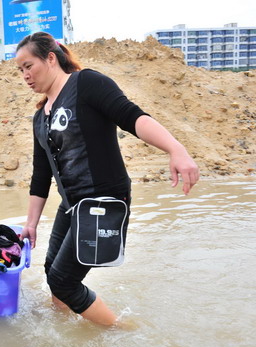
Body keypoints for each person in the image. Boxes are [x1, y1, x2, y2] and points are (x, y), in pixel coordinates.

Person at [15, 32, 199, 326]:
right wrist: (30, 223)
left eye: (28, 66)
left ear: (50, 58)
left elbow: (131, 116)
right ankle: (61, 328)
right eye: (20, 70)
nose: (25, 75)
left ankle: (120, 332)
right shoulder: (41, 117)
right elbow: (41, 173)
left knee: (64, 281)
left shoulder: (87, 84)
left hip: (103, 200)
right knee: (53, 271)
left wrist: (175, 149)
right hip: (72, 203)